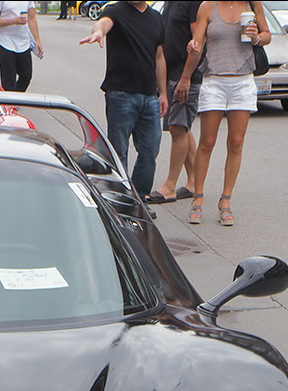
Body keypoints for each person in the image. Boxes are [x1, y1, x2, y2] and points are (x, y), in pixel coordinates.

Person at [182, 0, 269, 226]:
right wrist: (191, 51)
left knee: (236, 142)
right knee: (207, 141)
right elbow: (198, 42)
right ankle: (198, 198)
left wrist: (257, 37)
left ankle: (226, 200)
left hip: (243, 81)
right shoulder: (207, 7)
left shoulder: (252, 4)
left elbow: (267, 35)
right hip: (214, 81)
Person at [79, 0, 168, 201]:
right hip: (121, 95)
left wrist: (162, 93)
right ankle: (119, 200)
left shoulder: (156, 18)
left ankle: (138, 198)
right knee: (118, 153)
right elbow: (104, 23)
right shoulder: (115, 10)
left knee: (150, 151)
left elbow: (159, 57)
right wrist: (99, 32)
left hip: (150, 97)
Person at [150, 0, 199, 203]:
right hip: (170, 75)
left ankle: (170, 186)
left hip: (185, 77)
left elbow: (198, 43)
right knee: (182, 128)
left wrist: (186, 77)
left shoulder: (194, 3)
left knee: (178, 127)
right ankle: (195, 181)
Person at [0, 0, 41, 92]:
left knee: (26, 76)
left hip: (23, 43)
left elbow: (31, 18)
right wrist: (13, 21)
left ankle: (15, 99)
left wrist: (37, 40)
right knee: (9, 80)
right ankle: (10, 103)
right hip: (5, 43)